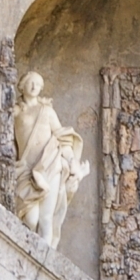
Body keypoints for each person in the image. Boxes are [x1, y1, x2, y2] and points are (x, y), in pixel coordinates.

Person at [11, 72, 90, 249]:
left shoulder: (47, 111)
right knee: (30, 219)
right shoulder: (15, 113)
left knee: (46, 218)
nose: (34, 87)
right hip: (26, 169)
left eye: (38, 84)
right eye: (31, 82)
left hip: (50, 165)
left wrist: (72, 161)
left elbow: (62, 137)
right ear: (22, 85)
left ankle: (45, 262)